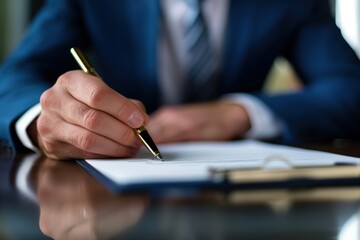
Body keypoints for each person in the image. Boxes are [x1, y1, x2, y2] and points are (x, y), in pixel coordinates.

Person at [0, 0, 359, 160]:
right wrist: (44, 122)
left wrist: (240, 113)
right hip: (109, 189)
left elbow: (350, 89)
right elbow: (13, 78)